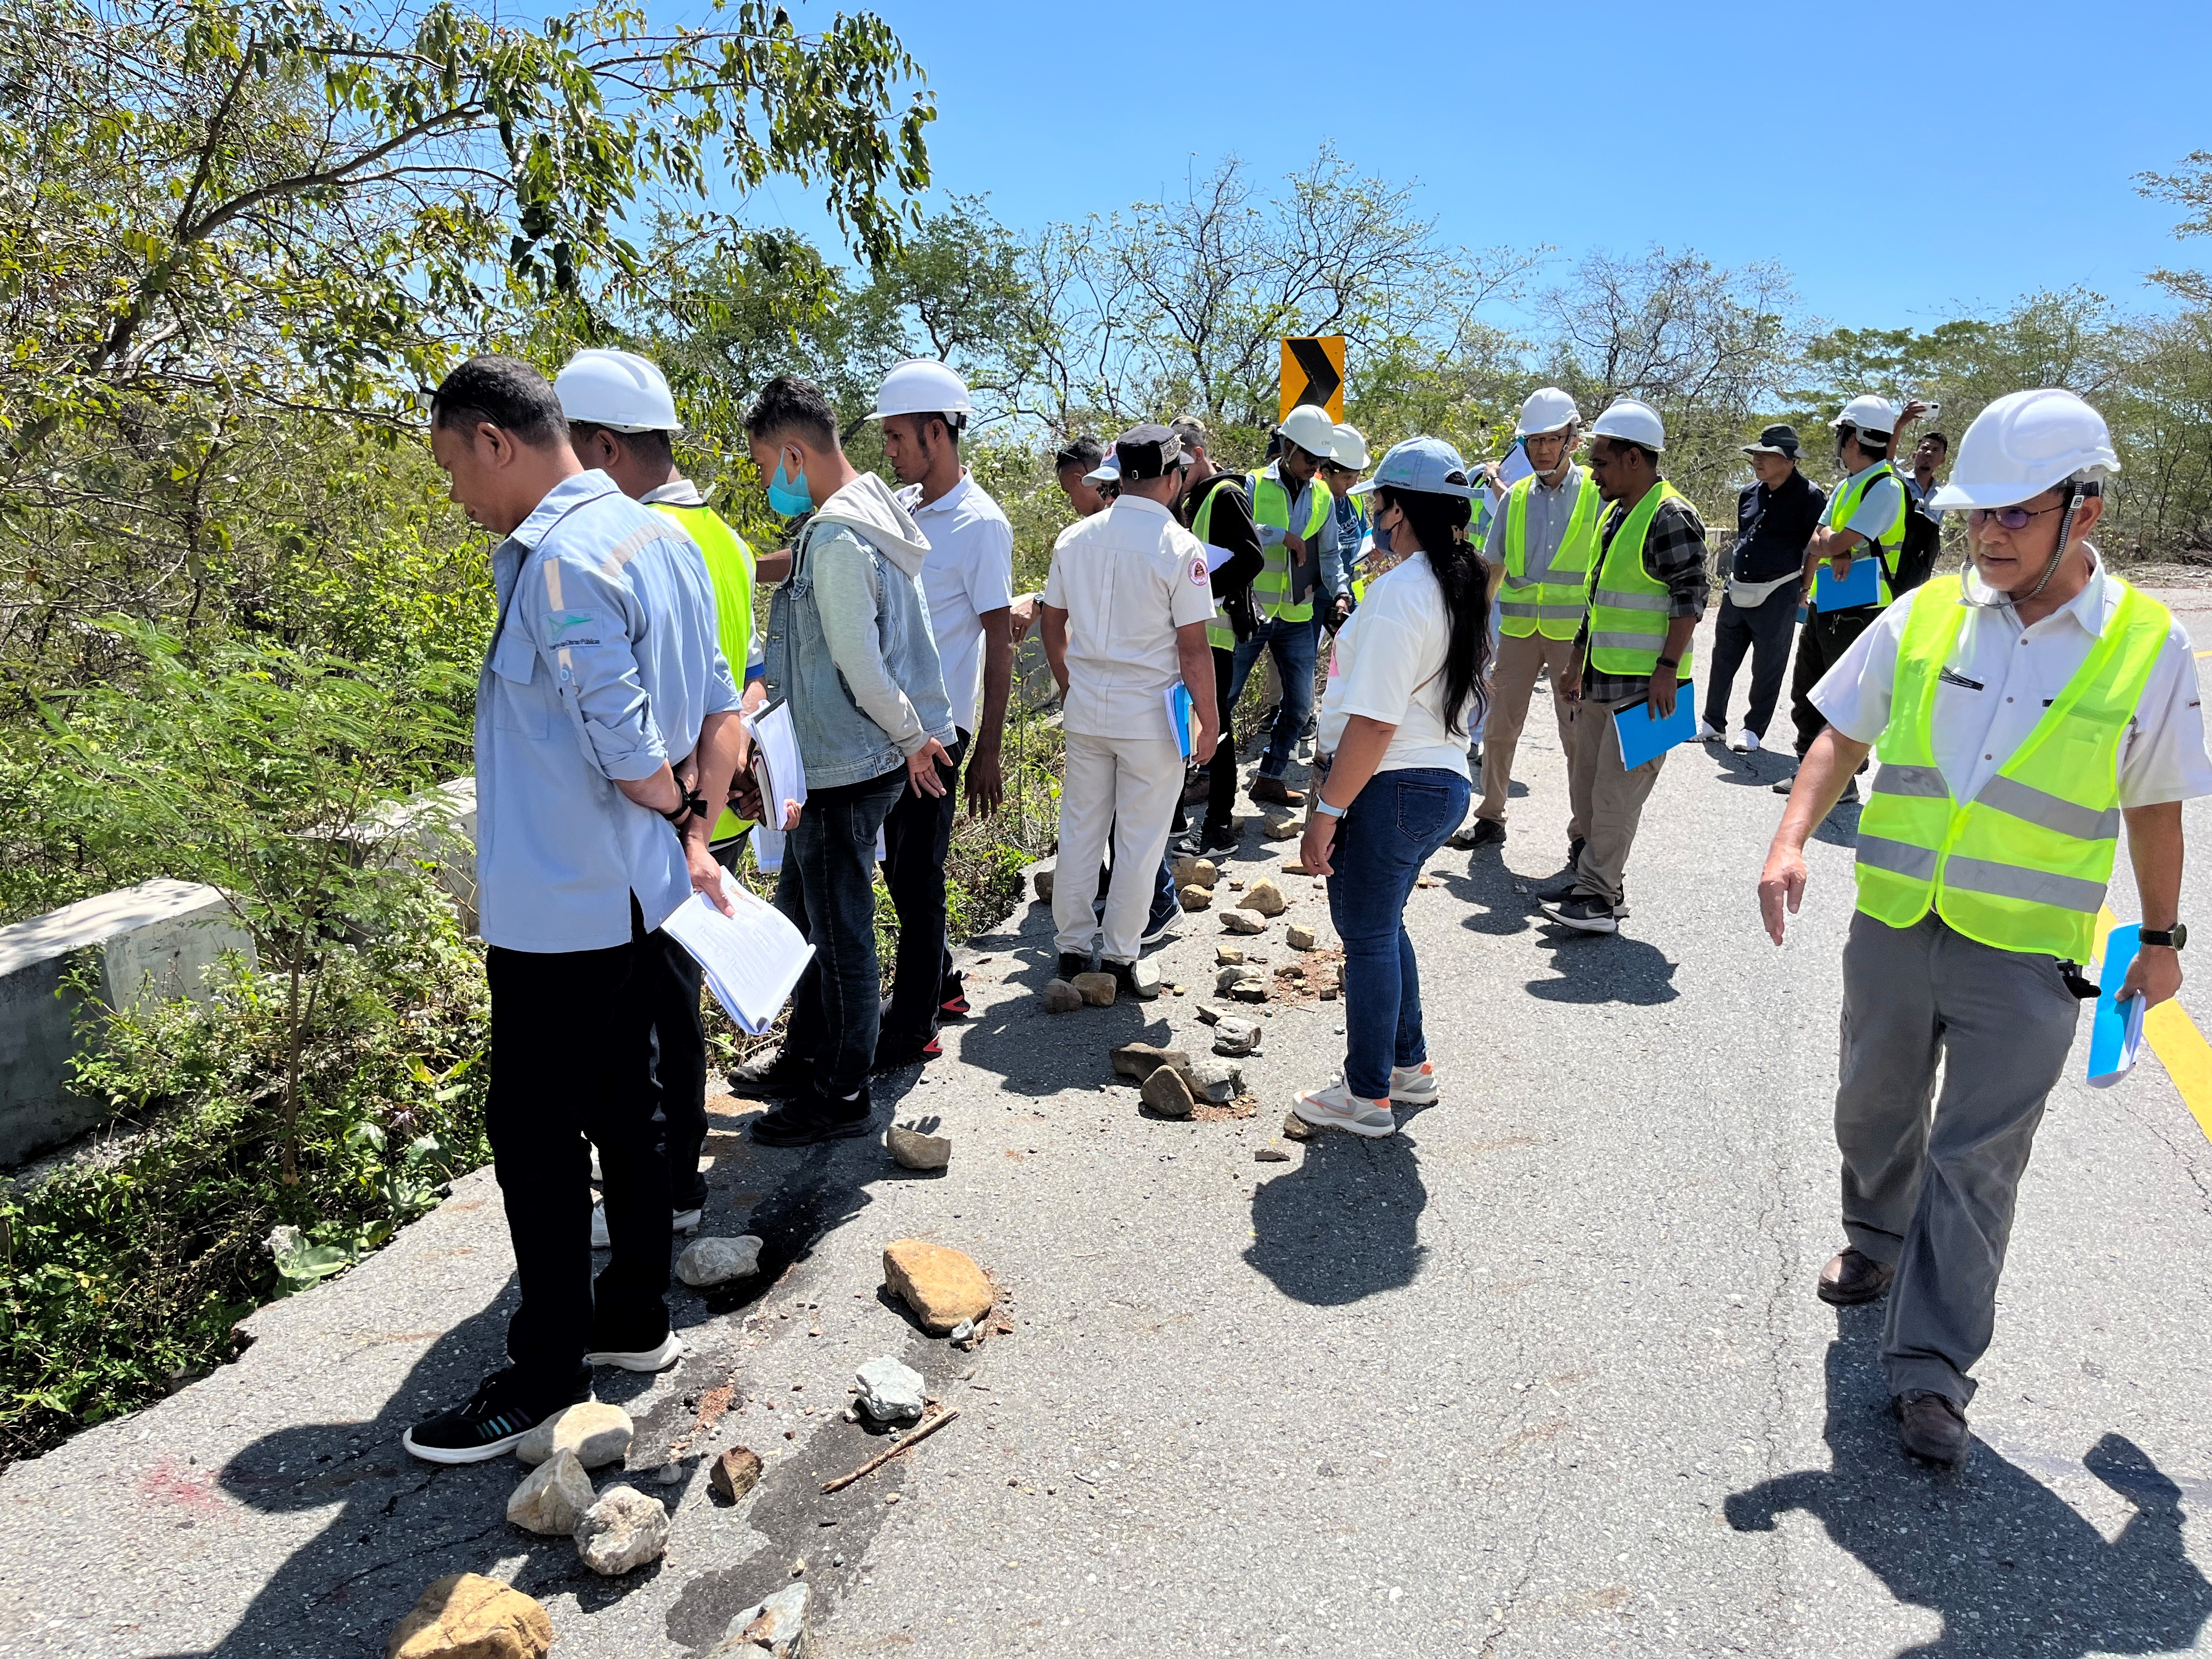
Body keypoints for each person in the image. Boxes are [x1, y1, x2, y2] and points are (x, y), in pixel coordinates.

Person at [1757, 388, 2210, 1466]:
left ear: (2083, 512)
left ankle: (1932, 1375)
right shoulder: (1924, 615)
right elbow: (1839, 735)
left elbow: (2155, 804)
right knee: (1872, 1110)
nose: (1990, 532)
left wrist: (2162, 939)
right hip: (1896, 924)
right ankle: (1873, 1234)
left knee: (1978, 1165)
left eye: (2018, 512)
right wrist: (1788, 838)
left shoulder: (2151, 646)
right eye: (1979, 513)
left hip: (2026, 956)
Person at [406, 356, 743, 1463]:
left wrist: (672, 799)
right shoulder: (664, 538)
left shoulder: (558, 559)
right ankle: (634, 1317)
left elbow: (624, 734)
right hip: (642, 890)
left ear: (496, 441)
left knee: (537, 1136)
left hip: (562, 905)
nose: (457, 493)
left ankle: (546, 1370)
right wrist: (693, 829)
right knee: (635, 1103)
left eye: (455, 465)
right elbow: (715, 709)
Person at [555, 346, 758, 1254]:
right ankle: (675, 1182)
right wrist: (707, 820)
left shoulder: (626, 543)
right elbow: (734, 688)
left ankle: (660, 1190)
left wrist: (682, 826)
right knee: (677, 1008)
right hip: (713, 809)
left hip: (655, 822)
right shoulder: (725, 540)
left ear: (600, 447)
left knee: (642, 1022)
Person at [728, 375, 956, 1145]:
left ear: (794, 454)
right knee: (808, 914)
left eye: (766, 469)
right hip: (842, 759)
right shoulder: (872, 515)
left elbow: (862, 663)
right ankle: (807, 1054)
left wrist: (909, 737)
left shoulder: (834, 537)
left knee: (841, 934)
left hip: (844, 767)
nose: (768, 485)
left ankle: (843, 1092)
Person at [1292, 438, 1489, 1136]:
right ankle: (1409, 1067)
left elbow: (1374, 723)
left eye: (1377, 502)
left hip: (1394, 782)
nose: (1371, 512)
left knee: (1367, 935)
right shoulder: (1449, 582)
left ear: (1398, 510)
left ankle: (1367, 1095)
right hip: (1437, 781)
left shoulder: (1404, 591)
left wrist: (1326, 811)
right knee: (1384, 926)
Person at [868, 359, 1016, 1066]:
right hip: (897, 725)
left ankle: (915, 1022)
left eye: (897, 437)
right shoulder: (903, 506)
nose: (890, 451)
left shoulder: (982, 524)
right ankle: (946, 983)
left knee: (917, 873)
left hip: (941, 731)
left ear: (937, 431)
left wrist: (987, 748)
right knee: (903, 866)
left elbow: (998, 639)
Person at [1040, 425, 1221, 991]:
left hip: (1088, 707)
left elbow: (1052, 622)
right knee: (1141, 841)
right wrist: (1210, 722)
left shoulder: (1075, 539)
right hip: (1151, 717)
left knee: (1080, 831)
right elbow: (1193, 650)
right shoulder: (1180, 548)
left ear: (1119, 477)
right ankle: (1119, 956)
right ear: (1172, 480)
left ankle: (1071, 949)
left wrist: (1071, 683)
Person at [1541, 399, 1708, 934]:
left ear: (1635, 459)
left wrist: (1667, 667)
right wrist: (1575, 665)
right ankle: (1598, 883)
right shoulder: (1616, 513)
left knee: (1616, 796)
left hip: (1650, 689)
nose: (1594, 475)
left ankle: (1597, 900)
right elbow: (1599, 600)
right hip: (1603, 679)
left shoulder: (1671, 515)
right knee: (1591, 789)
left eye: (1603, 463)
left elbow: (1691, 599)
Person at [1460, 387, 1598, 857]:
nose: (1540, 449)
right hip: (1517, 633)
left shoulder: (1598, 495)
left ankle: (1584, 832)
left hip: (1571, 637)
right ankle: (1491, 816)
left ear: (1572, 439)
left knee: (1577, 736)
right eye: (1532, 441)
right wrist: (1477, 627)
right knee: (1499, 729)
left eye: (1550, 439)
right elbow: (1494, 565)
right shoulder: (1515, 497)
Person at [1776, 395, 1909, 801]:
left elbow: (1837, 540)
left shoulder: (1885, 487)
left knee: (1843, 701)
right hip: (1828, 602)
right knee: (1807, 692)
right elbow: (1818, 541)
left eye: (1842, 434)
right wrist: (1835, 543)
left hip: (1861, 610)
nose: (1840, 442)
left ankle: (1840, 783)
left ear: (1854, 438)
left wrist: (1837, 542)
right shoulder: (1848, 486)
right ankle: (1809, 769)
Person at [1228, 402, 1341, 808]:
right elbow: (1236, 535)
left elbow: (1330, 555)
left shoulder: (1323, 495)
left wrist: (1341, 591)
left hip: (1296, 615)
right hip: (1251, 611)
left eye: (1322, 460)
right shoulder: (1254, 485)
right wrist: (1281, 535)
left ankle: (1270, 776)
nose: (1316, 467)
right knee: (1225, 696)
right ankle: (1206, 775)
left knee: (1299, 707)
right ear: (1288, 447)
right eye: (1311, 457)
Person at [1697, 424, 1828, 754]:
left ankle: (1753, 729)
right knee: (1723, 656)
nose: (1758, 459)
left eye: (1767, 454)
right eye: (1756, 453)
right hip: (1738, 588)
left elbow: (1814, 546)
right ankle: (1713, 723)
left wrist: (1804, 589)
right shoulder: (1748, 492)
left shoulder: (1810, 497)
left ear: (1789, 460)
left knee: (1769, 664)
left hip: (1780, 589)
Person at [1176, 415, 1265, 856]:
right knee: (1199, 726)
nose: (1175, 476)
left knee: (1218, 727)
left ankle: (1217, 828)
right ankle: (1195, 822)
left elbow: (1251, 559)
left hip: (1218, 631)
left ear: (1197, 454)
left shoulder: (1225, 494)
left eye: (1181, 465)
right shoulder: (1198, 497)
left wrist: (1195, 590)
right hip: (1203, 631)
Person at [1320, 422, 1371, 630]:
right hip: (1314, 598)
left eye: (1356, 477)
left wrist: (1372, 551)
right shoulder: (1314, 502)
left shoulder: (1355, 499)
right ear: (1326, 473)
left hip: (1347, 595)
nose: (1353, 484)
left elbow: (1363, 535)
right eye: (1347, 478)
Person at [1895, 425, 1950, 594]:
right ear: (1914, 455)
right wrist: (1902, 422)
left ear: (1943, 460)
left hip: (1916, 568)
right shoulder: (1899, 480)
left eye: (1935, 450)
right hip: (1892, 557)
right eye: (1924, 448)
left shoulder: (1942, 496)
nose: (1928, 453)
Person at [1054, 435, 1109, 517]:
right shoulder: (1132, 510)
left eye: (1069, 492)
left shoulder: (1085, 529)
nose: (1072, 503)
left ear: (1080, 480)